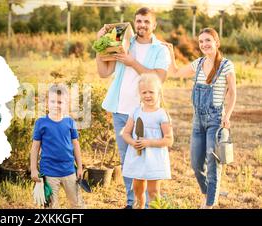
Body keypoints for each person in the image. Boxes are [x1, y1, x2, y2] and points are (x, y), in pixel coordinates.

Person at [96, 7, 170, 209]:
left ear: (153, 25)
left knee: (146, 158)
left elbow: (158, 78)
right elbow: (104, 72)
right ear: (134, 23)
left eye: (146, 21)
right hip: (120, 110)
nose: (142, 25)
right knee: (127, 160)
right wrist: (99, 45)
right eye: (138, 21)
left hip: (146, 112)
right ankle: (132, 204)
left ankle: (148, 206)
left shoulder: (160, 49)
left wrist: (132, 62)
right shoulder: (123, 43)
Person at [164, 28, 237, 209]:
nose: (204, 44)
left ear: (216, 43)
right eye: (201, 41)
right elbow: (175, 72)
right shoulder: (198, 64)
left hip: (216, 121)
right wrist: (170, 53)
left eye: (208, 40)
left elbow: (233, 93)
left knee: (213, 164)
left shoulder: (226, 65)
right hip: (197, 121)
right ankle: (210, 191)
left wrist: (227, 116)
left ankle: (209, 203)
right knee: (196, 164)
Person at [121, 74, 173, 209]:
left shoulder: (161, 114)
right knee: (138, 188)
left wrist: (149, 143)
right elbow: (126, 133)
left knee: (153, 190)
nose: (148, 95)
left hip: (154, 158)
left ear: (158, 92)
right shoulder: (136, 112)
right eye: (144, 92)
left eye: (151, 92)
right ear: (139, 93)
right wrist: (133, 142)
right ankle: (140, 205)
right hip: (137, 156)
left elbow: (169, 139)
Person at [30, 84, 84, 209]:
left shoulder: (70, 122)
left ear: (66, 104)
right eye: (52, 101)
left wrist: (80, 167)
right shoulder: (41, 123)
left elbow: (76, 145)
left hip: (69, 171)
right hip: (49, 172)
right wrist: (33, 169)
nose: (56, 105)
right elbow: (35, 148)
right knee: (51, 206)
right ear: (47, 103)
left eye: (60, 102)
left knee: (77, 204)